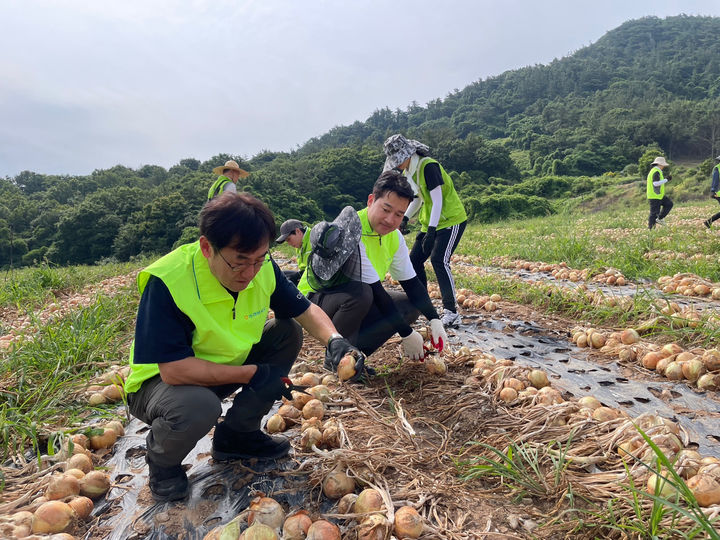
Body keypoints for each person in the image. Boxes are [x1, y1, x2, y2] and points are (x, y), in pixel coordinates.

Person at [123, 192, 363, 502]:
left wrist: (335, 341)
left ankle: (238, 434)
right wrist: (252, 373)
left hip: (222, 368)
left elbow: (303, 309)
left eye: (258, 260)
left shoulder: (260, 266)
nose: (250, 273)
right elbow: (174, 370)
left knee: (286, 331)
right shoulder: (168, 280)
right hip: (160, 386)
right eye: (239, 262)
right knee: (199, 407)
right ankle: (162, 462)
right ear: (207, 247)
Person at [297, 171, 448, 365]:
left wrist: (434, 319)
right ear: (371, 200)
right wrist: (407, 333)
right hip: (314, 301)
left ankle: (354, 358)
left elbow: (411, 283)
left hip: (352, 297)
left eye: (399, 214)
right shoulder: (351, 230)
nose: (390, 220)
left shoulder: (394, 237)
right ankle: (336, 358)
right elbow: (377, 292)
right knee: (362, 294)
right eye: (386, 209)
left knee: (409, 305)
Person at [383, 134, 468, 327]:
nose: (397, 165)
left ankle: (451, 312)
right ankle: (424, 305)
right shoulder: (409, 172)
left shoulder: (428, 166)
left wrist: (431, 230)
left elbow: (437, 200)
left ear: (408, 154)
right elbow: (419, 199)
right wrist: (404, 218)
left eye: (398, 160)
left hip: (450, 220)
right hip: (430, 221)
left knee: (439, 260)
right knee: (414, 261)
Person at [275, 219, 310, 285]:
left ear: (298, 231)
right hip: (306, 275)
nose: (289, 243)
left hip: (315, 282)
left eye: (289, 239)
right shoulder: (300, 245)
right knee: (282, 275)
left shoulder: (313, 241)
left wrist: (298, 275)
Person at [647, 156, 674, 229]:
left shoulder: (656, 171)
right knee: (654, 214)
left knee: (669, 204)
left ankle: (660, 218)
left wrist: (665, 179)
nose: (664, 166)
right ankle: (651, 230)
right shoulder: (656, 171)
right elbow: (655, 183)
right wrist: (666, 180)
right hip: (654, 195)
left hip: (659, 195)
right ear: (660, 164)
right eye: (663, 165)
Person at [703, 155, 720, 228]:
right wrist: (713, 191)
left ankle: (708, 222)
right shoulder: (717, 168)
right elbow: (715, 181)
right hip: (718, 193)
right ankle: (708, 222)